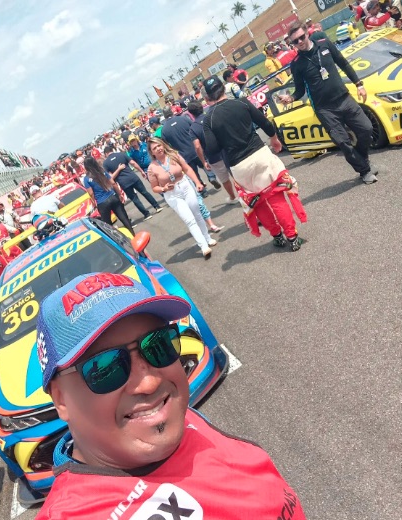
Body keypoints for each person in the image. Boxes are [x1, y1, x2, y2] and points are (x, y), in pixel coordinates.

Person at [33, 273, 307, 519]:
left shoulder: (171, 416)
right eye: (106, 368)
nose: (149, 383)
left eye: (159, 344)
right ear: (61, 399)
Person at [202, 75, 307, 251]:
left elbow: (211, 149)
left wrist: (225, 140)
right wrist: (274, 139)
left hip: (239, 165)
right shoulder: (241, 102)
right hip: (260, 153)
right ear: (224, 88)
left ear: (207, 98)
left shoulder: (209, 119)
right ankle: (292, 237)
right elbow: (264, 123)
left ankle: (277, 236)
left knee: (257, 202)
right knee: (275, 196)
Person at [278, 21, 378, 184]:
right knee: (343, 142)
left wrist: (358, 84)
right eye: (295, 41)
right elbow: (300, 90)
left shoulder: (324, 44)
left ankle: (363, 159)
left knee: (367, 129)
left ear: (307, 33)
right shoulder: (297, 64)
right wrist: (291, 98)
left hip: (344, 98)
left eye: (301, 37)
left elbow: (343, 63)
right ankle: (364, 171)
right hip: (325, 109)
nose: (300, 42)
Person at [147, 137, 217, 258]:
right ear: (152, 152)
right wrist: (163, 189)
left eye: (159, 145)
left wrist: (197, 182)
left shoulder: (174, 155)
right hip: (172, 194)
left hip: (185, 186)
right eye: (154, 148)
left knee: (197, 213)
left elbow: (187, 169)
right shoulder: (152, 168)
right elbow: (154, 187)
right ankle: (203, 246)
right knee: (189, 220)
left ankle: (207, 238)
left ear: (163, 145)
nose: (158, 149)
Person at [187, 100, 239, 205]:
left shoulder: (193, 128)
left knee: (224, 179)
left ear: (191, 114)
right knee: (235, 174)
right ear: (202, 107)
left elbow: (197, 146)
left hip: (213, 156)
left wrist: (203, 161)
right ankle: (244, 194)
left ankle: (233, 197)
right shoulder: (211, 115)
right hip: (227, 150)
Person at [161, 107, 220, 195]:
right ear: (171, 112)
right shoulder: (183, 119)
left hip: (183, 155)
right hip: (195, 148)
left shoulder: (164, 129)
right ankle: (211, 177)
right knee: (205, 164)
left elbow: (166, 145)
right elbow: (194, 128)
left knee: (193, 173)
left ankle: (202, 190)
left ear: (164, 116)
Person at [103, 145, 163, 222]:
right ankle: (157, 206)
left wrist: (117, 170)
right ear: (112, 150)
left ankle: (146, 214)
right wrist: (141, 171)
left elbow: (111, 178)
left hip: (123, 182)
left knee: (135, 199)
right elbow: (133, 163)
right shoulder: (121, 154)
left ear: (106, 154)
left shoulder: (106, 163)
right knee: (145, 192)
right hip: (133, 177)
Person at [83, 157, 135, 234]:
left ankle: (115, 239)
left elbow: (91, 193)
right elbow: (113, 183)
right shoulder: (102, 171)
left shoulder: (86, 178)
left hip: (102, 202)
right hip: (112, 196)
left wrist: (94, 204)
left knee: (107, 225)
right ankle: (132, 234)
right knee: (124, 218)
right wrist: (119, 194)